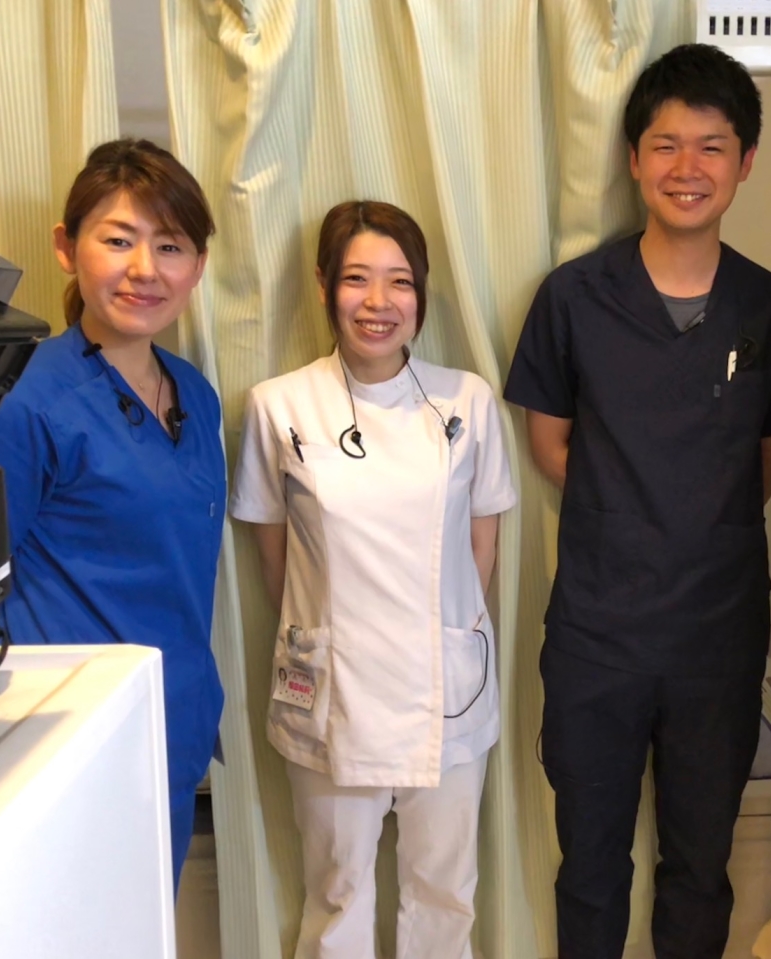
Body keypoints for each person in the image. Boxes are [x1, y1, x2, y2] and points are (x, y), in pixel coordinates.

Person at [504, 44, 771, 959]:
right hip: (599, 633)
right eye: (666, 144)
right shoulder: (574, 298)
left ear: (746, 161)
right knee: (590, 864)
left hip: (719, 637)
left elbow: (767, 458)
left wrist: (688, 517)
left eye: (712, 146)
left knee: (700, 866)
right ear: (633, 158)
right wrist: (634, 514)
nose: (687, 167)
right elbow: (550, 444)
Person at [229, 201, 516, 959]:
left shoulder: (467, 401)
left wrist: (445, 632)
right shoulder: (279, 405)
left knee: (445, 891)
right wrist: (331, 634)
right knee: (337, 893)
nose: (378, 302)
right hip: (334, 693)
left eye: (400, 281)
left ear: (422, 292)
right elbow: (274, 558)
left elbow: (481, 547)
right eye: (357, 279)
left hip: (446, 689)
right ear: (324, 285)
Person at [0, 138, 225, 889]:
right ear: (67, 247)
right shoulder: (25, 400)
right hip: (67, 746)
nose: (145, 268)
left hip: (172, 723)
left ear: (198, 266)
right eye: (119, 240)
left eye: (170, 246)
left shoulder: (194, 392)